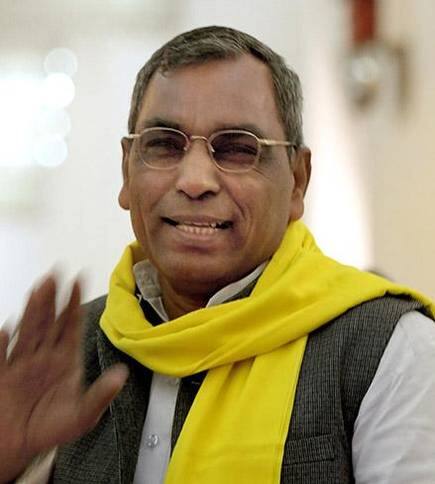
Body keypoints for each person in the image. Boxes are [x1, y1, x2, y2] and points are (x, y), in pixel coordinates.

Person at [1, 26, 435, 484]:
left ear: (297, 180)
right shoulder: (66, 358)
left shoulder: (392, 353)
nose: (194, 181)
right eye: (164, 144)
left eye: (237, 149)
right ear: (126, 171)